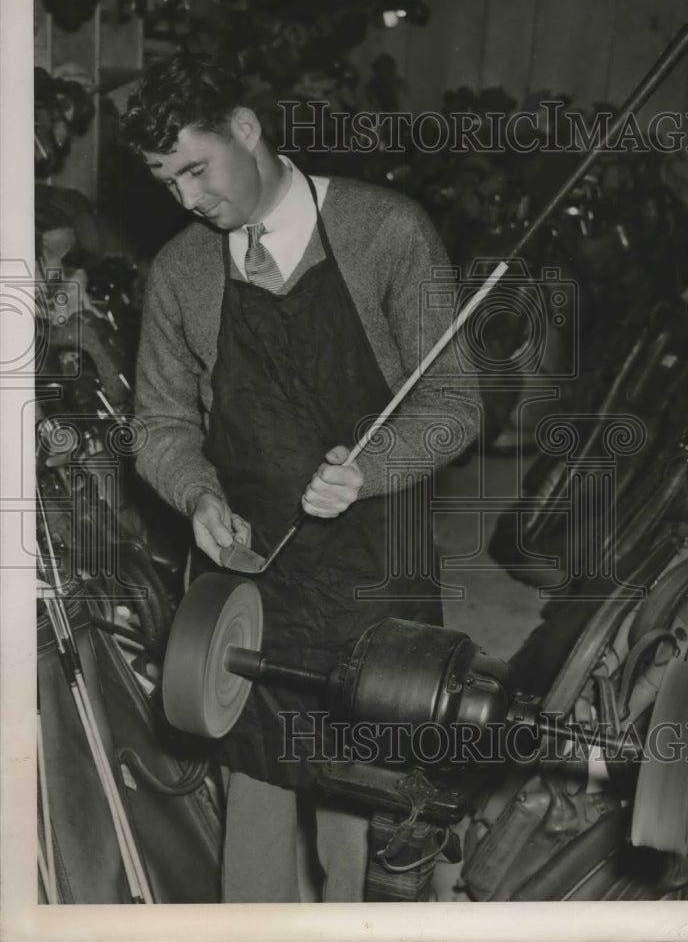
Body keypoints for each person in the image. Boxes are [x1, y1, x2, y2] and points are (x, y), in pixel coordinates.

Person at [123, 51, 479, 902]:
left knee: (368, 790)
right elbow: (161, 424)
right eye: (168, 185)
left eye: (197, 171)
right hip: (253, 572)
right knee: (259, 784)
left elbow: (458, 405)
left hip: (373, 563)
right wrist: (197, 494)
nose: (189, 201)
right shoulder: (181, 271)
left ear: (246, 129)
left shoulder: (385, 232)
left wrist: (373, 468)